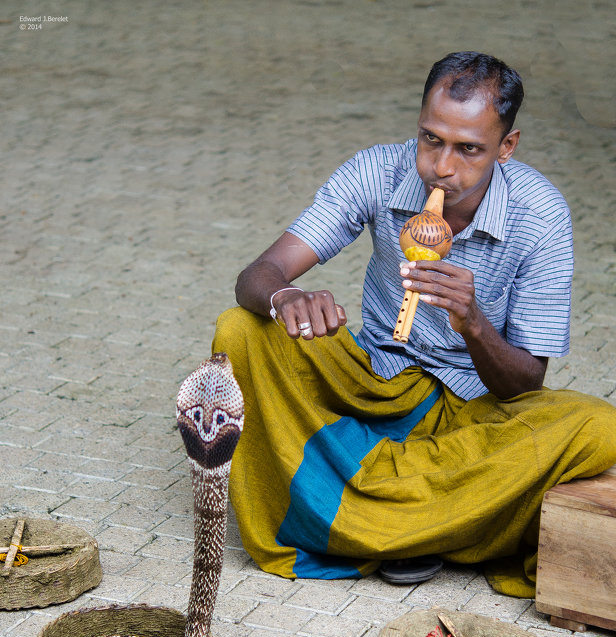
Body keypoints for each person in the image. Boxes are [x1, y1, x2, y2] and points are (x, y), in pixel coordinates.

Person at [212, 51, 616, 597]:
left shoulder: (540, 214)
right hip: (374, 384)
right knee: (242, 328)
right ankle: (440, 523)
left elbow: (526, 383)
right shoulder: (379, 170)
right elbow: (258, 273)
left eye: (469, 149)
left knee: (597, 425)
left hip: (473, 405)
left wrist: (473, 324)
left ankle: (368, 515)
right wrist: (286, 296)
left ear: (507, 146)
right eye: (432, 139)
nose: (443, 167)